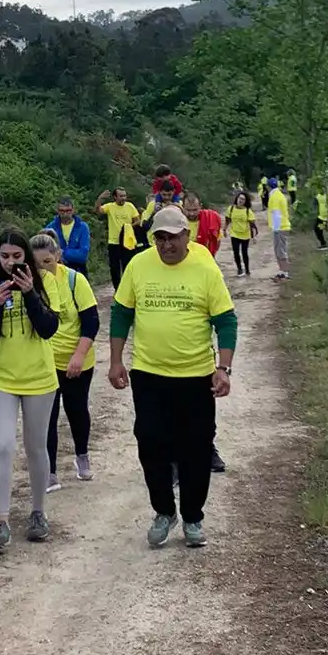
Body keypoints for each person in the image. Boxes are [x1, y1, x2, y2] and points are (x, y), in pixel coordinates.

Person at [108, 206, 237, 549]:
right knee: (151, 443)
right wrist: (116, 360)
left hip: (196, 376)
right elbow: (121, 313)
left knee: (196, 446)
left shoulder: (205, 267)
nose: (166, 245)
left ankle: (193, 516)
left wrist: (223, 368)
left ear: (187, 236)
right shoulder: (138, 264)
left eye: (172, 238)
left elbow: (226, 321)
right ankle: (164, 511)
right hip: (149, 374)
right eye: (159, 238)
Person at [0, 227, 60, 550]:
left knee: (37, 447)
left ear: (27, 257)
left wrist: (30, 295)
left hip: (39, 377)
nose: (11, 263)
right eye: (5, 257)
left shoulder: (46, 282)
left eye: (17, 256)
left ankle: (38, 512)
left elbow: (49, 329)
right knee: (2, 445)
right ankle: (1, 519)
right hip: (1, 378)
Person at [30, 229, 99, 487]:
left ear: (58, 256)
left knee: (77, 410)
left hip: (76, 358)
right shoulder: (29, 285)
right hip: (44, 361)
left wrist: (78, 356)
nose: (43, 269)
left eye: (47, 262)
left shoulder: (74, 280)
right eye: (37, 264)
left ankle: (82, 455)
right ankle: (49, 472)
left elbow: (91, 322)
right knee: (46, 417)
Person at [95, 187, 141, 288]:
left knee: (128, 266)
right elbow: (98, 211)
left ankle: (128, 288)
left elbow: (138, 220)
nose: (123, 198)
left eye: (124, 195)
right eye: (121, 196)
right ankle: (117, 289)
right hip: (113, 242)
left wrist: (129, 227)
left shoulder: (130, 206)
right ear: (115, 197)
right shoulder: (110, 207)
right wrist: (100, 198)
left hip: (127, 242)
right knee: (114, 269)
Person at [45, 197, 92, 278]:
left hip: (79, 270)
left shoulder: (82, 227)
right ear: (57, 211)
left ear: (73, 210)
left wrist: (61, 252)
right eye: (62, 211)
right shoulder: (50, 228)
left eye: (68, 210)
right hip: (57, 271)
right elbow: (46, 252)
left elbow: (83, 255)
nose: (65, 213)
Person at [265, 176, 292, 281]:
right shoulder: (278, 195)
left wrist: (275, 228)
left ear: (268, 186)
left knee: (281, 250)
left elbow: (276, 213)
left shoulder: (275, 196)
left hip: (280, 227)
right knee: (279, 250)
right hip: (281, 226)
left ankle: (285, 273)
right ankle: (282, 271)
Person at [182, 191, 223, 258]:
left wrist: (211, 255)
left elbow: (217, 240)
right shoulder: (178, 221)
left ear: (200, 207)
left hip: (204, 258)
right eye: (188, 210)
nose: (191, 213)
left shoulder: (210, 219)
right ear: (183, 207)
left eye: (195, 210)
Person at [227, 190, 257, 277]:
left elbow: (252, 225)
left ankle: (247, 269)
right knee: (236, 252)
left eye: (243, 199)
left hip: (245, 235)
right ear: (237, 198)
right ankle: (239, 269)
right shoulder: (231, 209)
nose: (240, 200)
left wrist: (254, 236)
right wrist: (225, 229)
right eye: (240, 198)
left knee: (244, 253)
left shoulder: (248, 211)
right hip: (234, 234)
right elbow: (228, 219)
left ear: (245, 201)